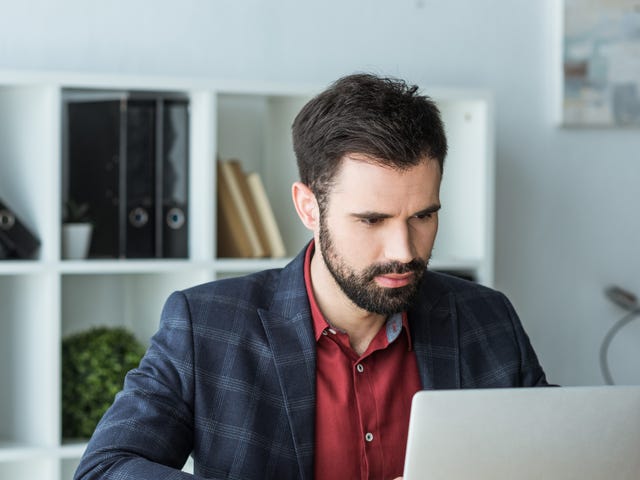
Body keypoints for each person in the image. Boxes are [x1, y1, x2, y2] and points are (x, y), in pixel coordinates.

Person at [74, 73, 549, 480]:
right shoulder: (205, 326)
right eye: (371, 220)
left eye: (422, 217)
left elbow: (558, 455)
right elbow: (106, 468)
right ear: (307, 207)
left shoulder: (487, 318)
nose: (403, 251)